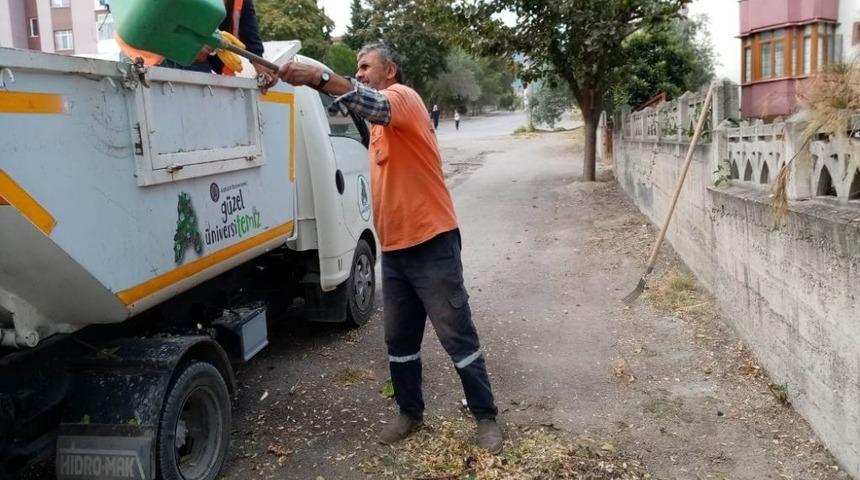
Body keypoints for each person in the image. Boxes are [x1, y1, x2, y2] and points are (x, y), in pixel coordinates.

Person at [277, 43, 504, 453]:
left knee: (457, 336)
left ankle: (486, 417)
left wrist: (320, 77)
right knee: (399, 341)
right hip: (396, 251)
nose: (360, 73)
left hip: (432, 243)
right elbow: (360, 110)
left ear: (391, 71)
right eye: (356, 68)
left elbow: (370, 103)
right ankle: (410, 413)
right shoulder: (379, 127)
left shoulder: (403, 99)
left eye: (366, 66)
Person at [116, 0, 276, 88]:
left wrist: (258, 60)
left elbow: (244, 15)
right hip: (145, 50)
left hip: (190, 57)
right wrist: (193, 34)